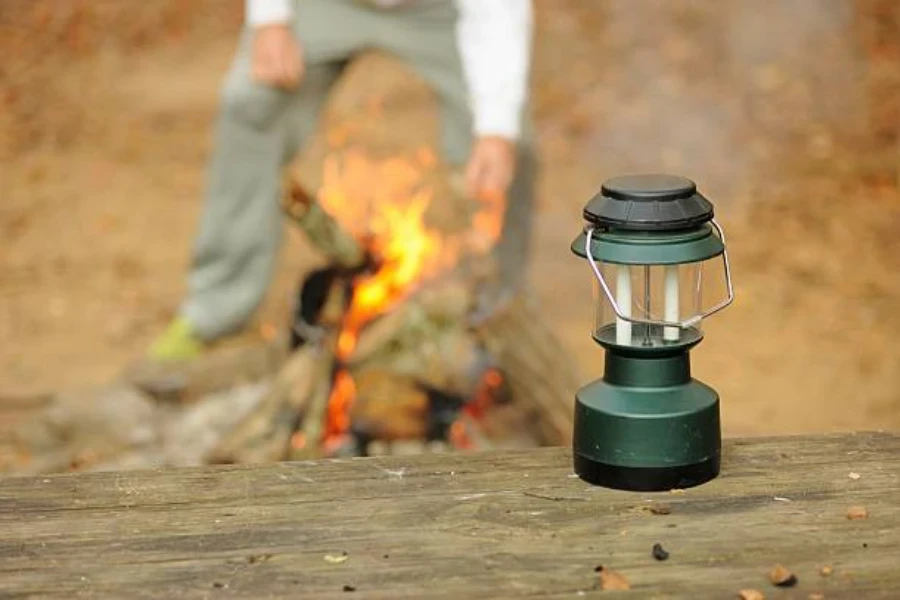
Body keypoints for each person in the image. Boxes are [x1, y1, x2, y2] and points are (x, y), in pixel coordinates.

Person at [150, 0, 535, 360]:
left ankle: (490, 322)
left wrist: (496, 129)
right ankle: (216, 309)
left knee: (511, 149)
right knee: (251, 102)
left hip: (437, 10)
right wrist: (270, 19)